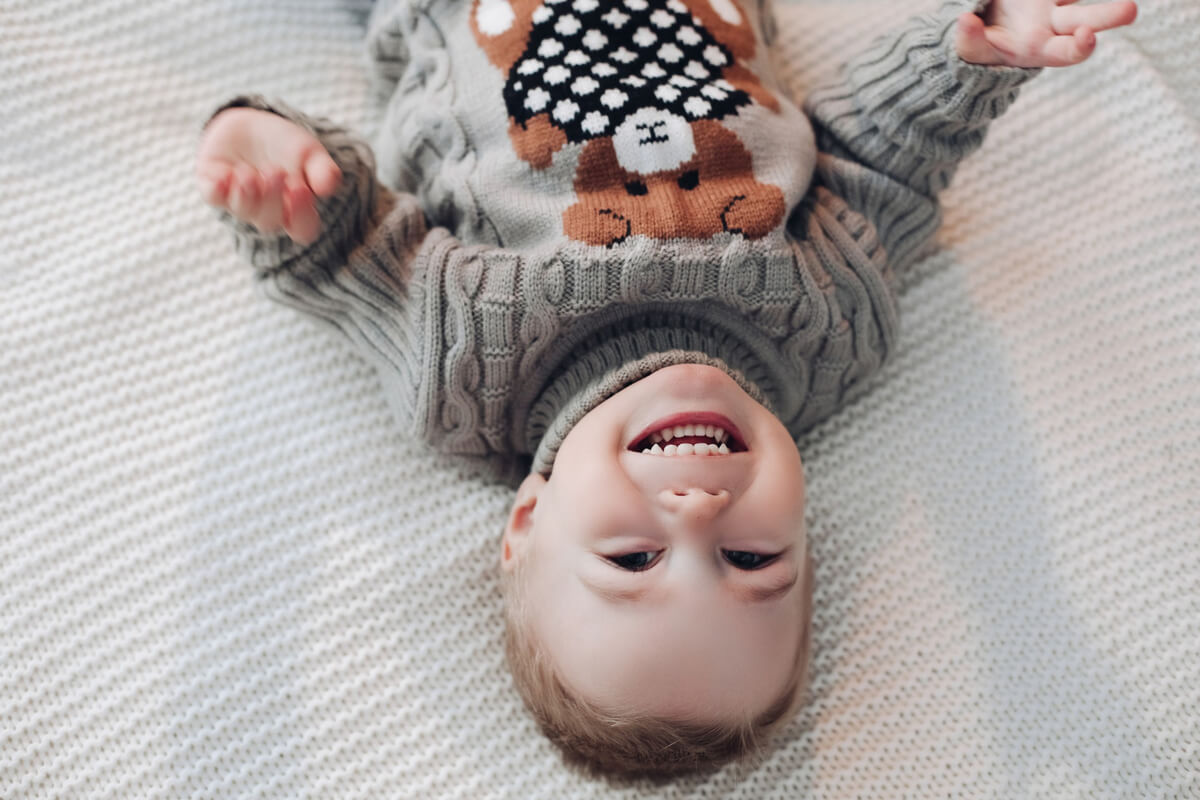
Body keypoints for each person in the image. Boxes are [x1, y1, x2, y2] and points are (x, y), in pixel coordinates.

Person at [195, 0, 1136, 776]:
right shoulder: (830, 331)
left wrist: (272, 159)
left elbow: (345, 251)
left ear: (528, 520)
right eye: (754, 561)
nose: (695, 512)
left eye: (633, 561)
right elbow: (878, 159)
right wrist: (973, 56)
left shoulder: (467, 372)